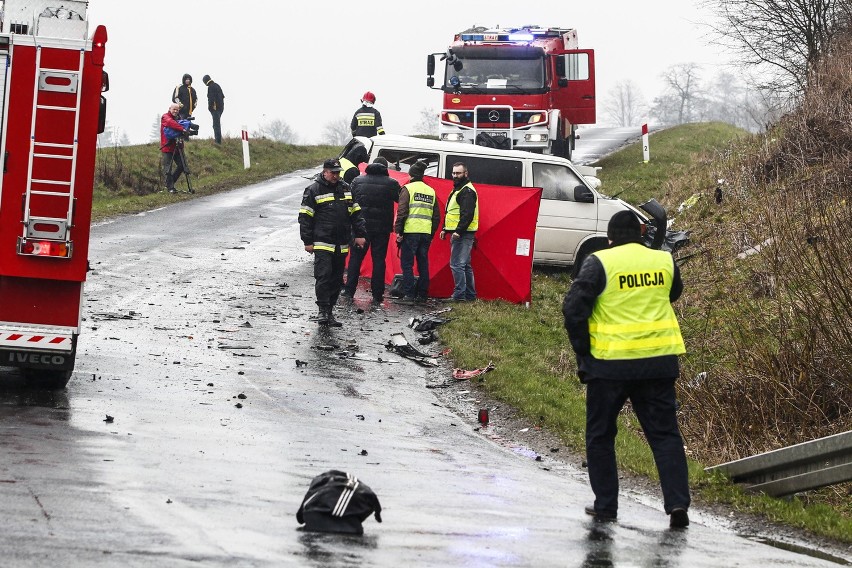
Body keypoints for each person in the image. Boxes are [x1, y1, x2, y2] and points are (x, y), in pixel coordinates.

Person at [562, 210, 690, 529]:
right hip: (658, 364)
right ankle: (677, 505)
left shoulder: (600, 262)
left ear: (610, 238)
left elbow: (573, 309)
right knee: (665, 435)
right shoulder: (663, 260)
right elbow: (674, 293)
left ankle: (606, 506)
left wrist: (583, 353)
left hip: (610, 367)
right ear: (641, 234)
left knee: (601, 435)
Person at [298, 159, 367, 326]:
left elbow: (356, 213)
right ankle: (322, 310)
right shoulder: (313, 189)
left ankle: (330, 312)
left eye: (338, 172)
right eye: (333, 172)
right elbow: (305, 217)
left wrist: (360, 234)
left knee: (336, 279)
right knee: (324, 276)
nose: (336, 175)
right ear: (325, 171)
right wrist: (307, 241)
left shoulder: (346, 189)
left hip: (341, 243)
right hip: (322, 241)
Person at [343, 157, 400, 304]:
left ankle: (349, 291)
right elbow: (401, 200)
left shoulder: (357, 181)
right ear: (385, 168)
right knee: (379, 261)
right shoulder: (392, 183)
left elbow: (349, 202)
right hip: (382, 229)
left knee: (355, 259)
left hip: (360, 228)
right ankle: (377, 295)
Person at [394, 160, 439, 305]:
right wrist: (431, 234)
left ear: (411, 174)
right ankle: (422, 295)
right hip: (425, 233)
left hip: (410, 232)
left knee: (407, 264)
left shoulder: (407, 189)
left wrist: (399, 231)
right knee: (423, 264)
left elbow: (402, 212)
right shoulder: (431, 191)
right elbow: (436, 216)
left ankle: (409, 295)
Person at [440, 162, 478, 301]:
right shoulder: (460, 189)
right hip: (462, 232)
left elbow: (467, 214)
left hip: (463, 233)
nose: (455, 176)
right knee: (465, 265)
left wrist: (458, 231)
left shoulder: (466, 191)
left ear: (465, 174)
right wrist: (445, 228)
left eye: (458, 173)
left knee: (457, 264)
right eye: (454, 173)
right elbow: (452, 212)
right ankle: (470, 295)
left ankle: (459, 295)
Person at [160, 103, 187, 194]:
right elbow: (170, 123)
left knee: (182, 166)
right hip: (167, 147)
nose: (175, 111)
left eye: (177, 110)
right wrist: (182, 128)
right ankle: (170, 187)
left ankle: (170, 183)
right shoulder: (165, 117)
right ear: (169, 109)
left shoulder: (179, 118)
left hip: (178, 146)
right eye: (174, 109)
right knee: (168, 169)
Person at [202, 74, 225, 144]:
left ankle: (218, 141)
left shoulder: (210, 87)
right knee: (217, 124)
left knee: (216, 125)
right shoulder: (217, 85)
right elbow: (223, 96)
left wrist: (210, 108)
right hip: (221, 108)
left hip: (215, 109)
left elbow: (211, 99)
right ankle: (218, 140)